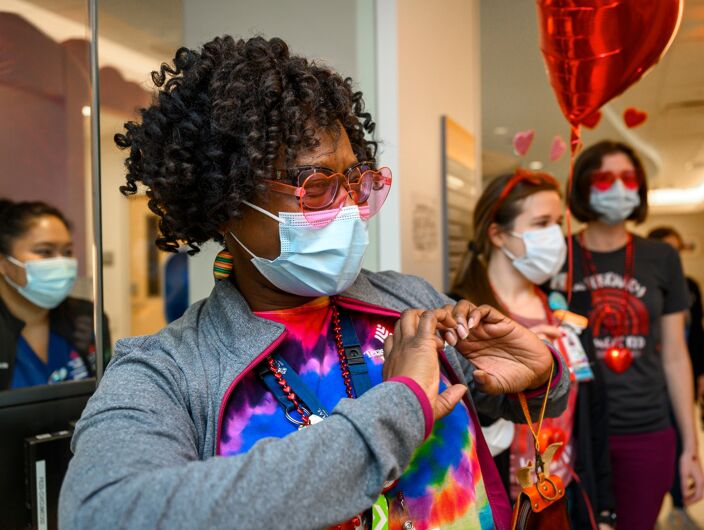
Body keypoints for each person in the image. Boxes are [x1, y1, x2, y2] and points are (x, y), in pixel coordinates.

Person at [58, 36, 570, 530]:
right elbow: (103, 513)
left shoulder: (409, 302)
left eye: (353, 181)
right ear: (225, 205)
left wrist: (542, 377)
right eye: (316, 186)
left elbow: (483, 407)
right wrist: (398, 406)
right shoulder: (169, 370)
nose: (349, 207)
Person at [547, 140, 704, 530]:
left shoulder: (662, 258)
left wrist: (691, 447)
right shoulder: (556, 255)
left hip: (646, 429)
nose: (618, 187)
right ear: (583, 186)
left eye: (627, 178)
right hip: (573, 429)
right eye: (604, 178)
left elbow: (674, 355)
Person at [450, 169, 616, 529]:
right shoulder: (461, 317)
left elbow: (591, 411)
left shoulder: (562, 311)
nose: (556, 235)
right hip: (496, 498)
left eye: (558, 222)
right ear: (497, 234)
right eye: (541, 223)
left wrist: (603, 507)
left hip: (562, 488)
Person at [0, 199, 104, 390]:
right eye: (45, 251)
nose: (62, 263)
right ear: (3, 263)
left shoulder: (86, 316)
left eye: (68, 251)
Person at [648, 226, 704, 530]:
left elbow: (697, 334)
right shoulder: (643, 287)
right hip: (648, 380)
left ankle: (678, 504)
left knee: (680, 440)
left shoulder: (690, 287)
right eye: (665, 250)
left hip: (680, 375)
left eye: (676, 250)